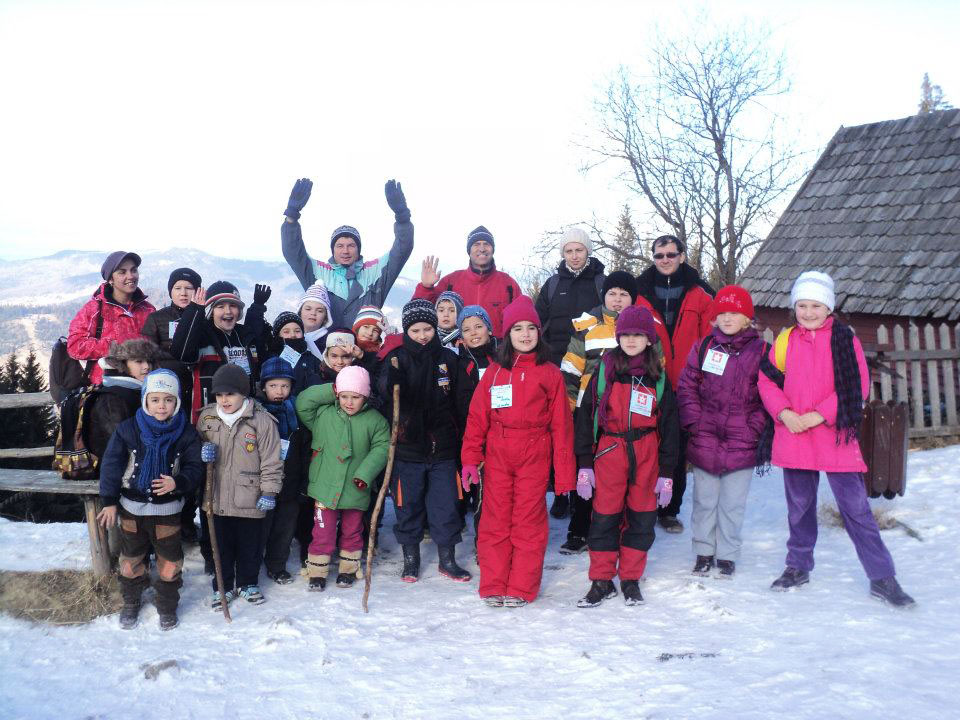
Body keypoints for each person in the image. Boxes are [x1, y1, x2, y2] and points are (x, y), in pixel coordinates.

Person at [757, 272, 915, 607]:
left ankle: (882, 577)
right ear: (794, 307)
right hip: (795, 435)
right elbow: (767, 381)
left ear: (828, 307)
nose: (809, 312)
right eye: (802, 305)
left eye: (816, 305)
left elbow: (855, 386)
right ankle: (797, 566)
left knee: (856, 509)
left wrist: (817, 416)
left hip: (834, 435)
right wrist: (785, 414)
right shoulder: (785, 341)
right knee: (799, 507)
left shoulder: (845, 340)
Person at [461, 296, 575, 607]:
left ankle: (522, 587)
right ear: (507, 335)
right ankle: (494, 584)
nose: (525, 335)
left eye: (531, 328)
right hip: (498, 452)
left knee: (528, 521)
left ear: (539, 332)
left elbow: (562, 428)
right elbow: (477, 418)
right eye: (517, 329)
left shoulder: (550, 374)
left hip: (535, 453)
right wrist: (470, 458)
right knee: (495, 521)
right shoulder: (496, 372)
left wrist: (564, 476)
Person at [573, 306, 679, 607]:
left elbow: (670, 425)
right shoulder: (605, 371)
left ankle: (630, 578)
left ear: (648, 339)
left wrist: (667, 471)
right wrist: (584, 464)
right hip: (610, 451)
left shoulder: (657, 377)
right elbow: (586, 417)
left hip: (646, 454)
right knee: (604, 517)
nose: (631, 340)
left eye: (638, 335)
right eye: (626, 334)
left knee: (641, 517)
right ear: (618, 337)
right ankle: (602, 579)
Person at [96, 369, 203, 630]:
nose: (161, 406)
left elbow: (194, 466)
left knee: (170, 559)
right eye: (155, 399)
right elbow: (111, 465)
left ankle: (167, 605)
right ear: (145, 400)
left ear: (176, 402)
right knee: (131, 557)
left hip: (167, 510)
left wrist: (177, 482)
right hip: (132, 508)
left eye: (168, 400)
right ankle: (131, 601)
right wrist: (109, 501)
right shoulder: (128, 429)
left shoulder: (185, 433)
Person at [377, 299, 471, 584]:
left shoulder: (448, 359)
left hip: (443, 447)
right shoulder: (396, 358)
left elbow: (461, 402)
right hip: (408, 448)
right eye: (416, 330)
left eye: (427, 329)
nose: (422, 335)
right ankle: (411, 558)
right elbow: (382, 396)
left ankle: (447, 559)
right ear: (407, 330)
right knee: (409, 505)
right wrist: (389, 382)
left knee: (445, 504)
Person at [676, 286, 767, 578]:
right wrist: (695, 423)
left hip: (743, 441)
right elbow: (687, 387)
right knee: (704, 501)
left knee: (732, 504)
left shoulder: (761, 351)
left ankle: (727, 555)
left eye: (735, 313)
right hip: (706, 438)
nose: (727, 319)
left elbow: (769, 394)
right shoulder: (704, 347)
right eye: (722, 313)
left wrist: (755, 428)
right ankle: (703, 551)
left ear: (747, 318)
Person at [635, 235, 715, 533]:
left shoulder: (700, 294)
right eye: (659, 255)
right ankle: (642, 504)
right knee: (645, 445)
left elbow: (709, 342)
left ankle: (669, 509)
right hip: (648, 382)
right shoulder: (640, 292)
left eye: (671, 254)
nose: (665, 260)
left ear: (682, 256)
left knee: (676, 448)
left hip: (685, 384)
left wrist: (702, 382)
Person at [557, 270, 639, 552]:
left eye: (624, 295)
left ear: (633, 299)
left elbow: (656, 369)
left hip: (624, 416)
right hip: (586, 410)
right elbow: (570, 370)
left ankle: (614, 527)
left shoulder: (641, 328)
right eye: (612, 294)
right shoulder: (587, 326)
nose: (617, 300)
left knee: (617, 472)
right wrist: (567, 409)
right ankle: (578, 529)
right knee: (585, 467)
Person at [296, 366, 390, 591]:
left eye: (356, 397)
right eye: (344, 396)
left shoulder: (375, 421)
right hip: (324, 486)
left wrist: (365, 474)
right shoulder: (323, 414)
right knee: (322, 530)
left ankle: (348, 569)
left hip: (356, 487)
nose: (349, 402)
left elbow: (382, 447)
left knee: (352, 530)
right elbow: (303, 402)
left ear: (365, 396)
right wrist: (332, 388)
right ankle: (317, 571)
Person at [197, 364, 283, 608]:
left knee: (249, 545)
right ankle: (222, 586)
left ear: (244, 394)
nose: (224, 400)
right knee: (220, 546)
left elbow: (271, 460)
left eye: (230, 394)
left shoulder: (262, 421)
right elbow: (193, 450)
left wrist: (269, 490)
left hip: (250, 497)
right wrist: (200, 453)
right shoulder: (207, 417)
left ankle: (248, 582)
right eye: (219, 395)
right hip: (215, 496)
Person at [281, 178, 414, 327]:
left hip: (365, 348)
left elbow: (402, 250)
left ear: (358, 249)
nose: (345, 251)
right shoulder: (318, 272)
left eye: (351, 245)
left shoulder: (376, 271)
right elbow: (293, 252)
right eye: (339, 246)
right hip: (325, 348)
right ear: (333, 250)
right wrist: (291, 216)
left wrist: (402, 218)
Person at [170, 280, 271, 423]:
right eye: (220, 306)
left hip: (246, 418)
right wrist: (195, 309)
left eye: (233, 306)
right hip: (210, 420)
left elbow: (256, 331)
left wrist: (258, 306)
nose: (228, 311)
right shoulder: (202, 336)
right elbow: (180, 351)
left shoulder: (245, 335)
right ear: (211, 310)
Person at [256, 357, 313, 585]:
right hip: (262, 484)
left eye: (284, 385)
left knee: (284, 527)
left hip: (291, 481)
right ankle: (252, 562)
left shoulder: (298, 415)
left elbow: (306, 449)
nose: (279, 391)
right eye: (273, 385)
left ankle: (276, 565)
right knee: (261, 526)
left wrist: (304, 482)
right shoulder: (256, 414)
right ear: (263, 387)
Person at [413, 226, 522, 336]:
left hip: (498, 350)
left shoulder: (508, 285)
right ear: (469, 251)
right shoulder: (450, 282)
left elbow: (521, 321)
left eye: (486, 244)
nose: (482, 248)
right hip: (457, 350)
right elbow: (417, 315)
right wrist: (425, 287)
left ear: (492, 249)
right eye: (476, 244)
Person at [68, 250, 156, 385]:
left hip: (145, 388)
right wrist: (115, 346)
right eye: (122, 272)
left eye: (134, 270)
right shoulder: (94, 309)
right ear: (110, 279)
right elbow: (75, 346)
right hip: (108, 389)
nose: (130, 276)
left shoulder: (148, 309)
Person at [454, 305, 498, 527]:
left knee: (492, 494)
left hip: (499, 437)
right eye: (467, 329)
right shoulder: (459, 362)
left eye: (478, 326)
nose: (473, 333)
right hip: (468, 436)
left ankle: (489, 537)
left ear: (489, 329)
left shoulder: (502, 358)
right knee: (474, 489)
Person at [535, 228, 607, 366]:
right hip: (555, 359)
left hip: (593, 361)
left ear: (587, 251)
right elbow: (538, 321)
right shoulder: (552, 284)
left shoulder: (602, 282)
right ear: (563, 254)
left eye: (579, 250)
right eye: (569, 251)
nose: (574, 256)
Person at [140, 267, 202, 407]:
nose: (183, 293)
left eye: (189, 288)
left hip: (198, 383)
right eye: (177, 288)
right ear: (170, 291)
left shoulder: (204, 318)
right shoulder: (157, 318)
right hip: (165, 386)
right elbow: (146, 353)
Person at [268, 311, 325, 395]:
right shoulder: (271, 359)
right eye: (286, 332)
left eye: (297, 331)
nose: (293, 335)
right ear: (278, 335)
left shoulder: (312, 359)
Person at [296, 282, 334, 359]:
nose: (313, 313)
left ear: (326, 316)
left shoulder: (330, 341)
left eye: (319, 311)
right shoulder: (290, 336)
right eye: (308, 309)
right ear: (300, 311)